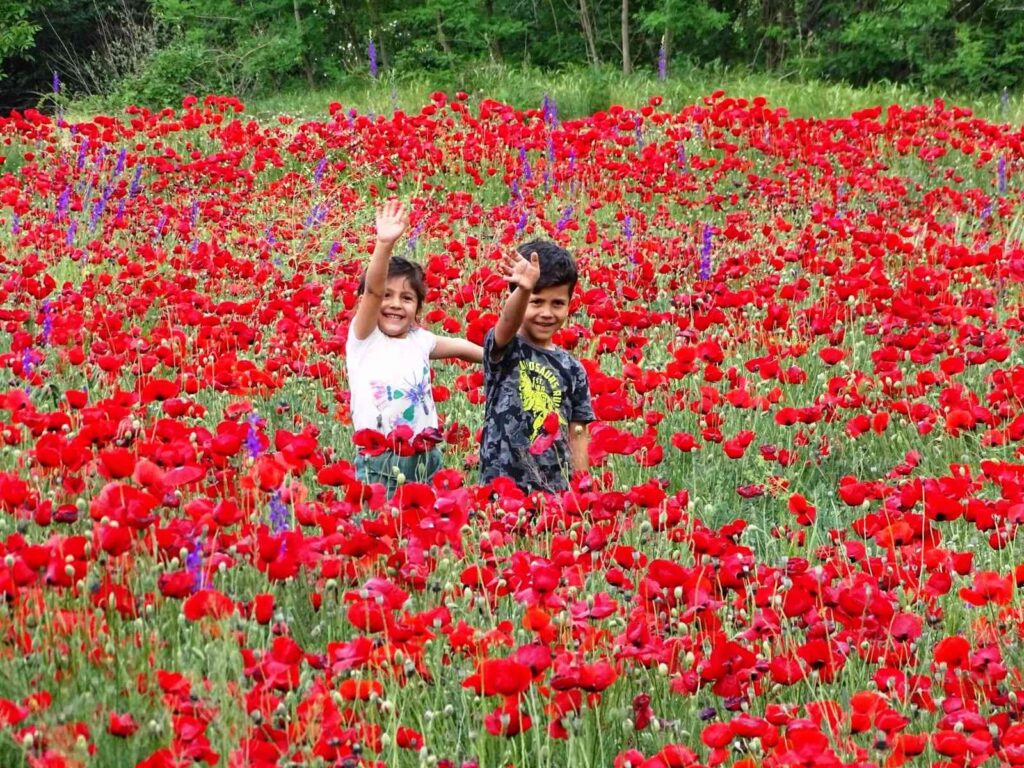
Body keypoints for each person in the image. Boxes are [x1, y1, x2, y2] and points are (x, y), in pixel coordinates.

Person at [347, 200, 482, 492]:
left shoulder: (421, 340)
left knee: (427, 528)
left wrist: (496, 357)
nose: (396, 304)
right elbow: (372, 290)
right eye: (388, 296)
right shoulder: (364, 338)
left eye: (407, 298)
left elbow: (460, 347)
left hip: (426, 456)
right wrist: (384, 245)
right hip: (379, 459)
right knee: (380, 529)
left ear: (418, 307)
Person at [479, 240, 594, 494]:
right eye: (537, 301)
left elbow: (578, 434)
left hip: (554, 491)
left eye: (557, 303)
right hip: (502, 490)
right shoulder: (505, 348)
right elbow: (509, 320)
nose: (546, 313)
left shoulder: (573, 369)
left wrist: (584, 491)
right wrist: (524, 289)